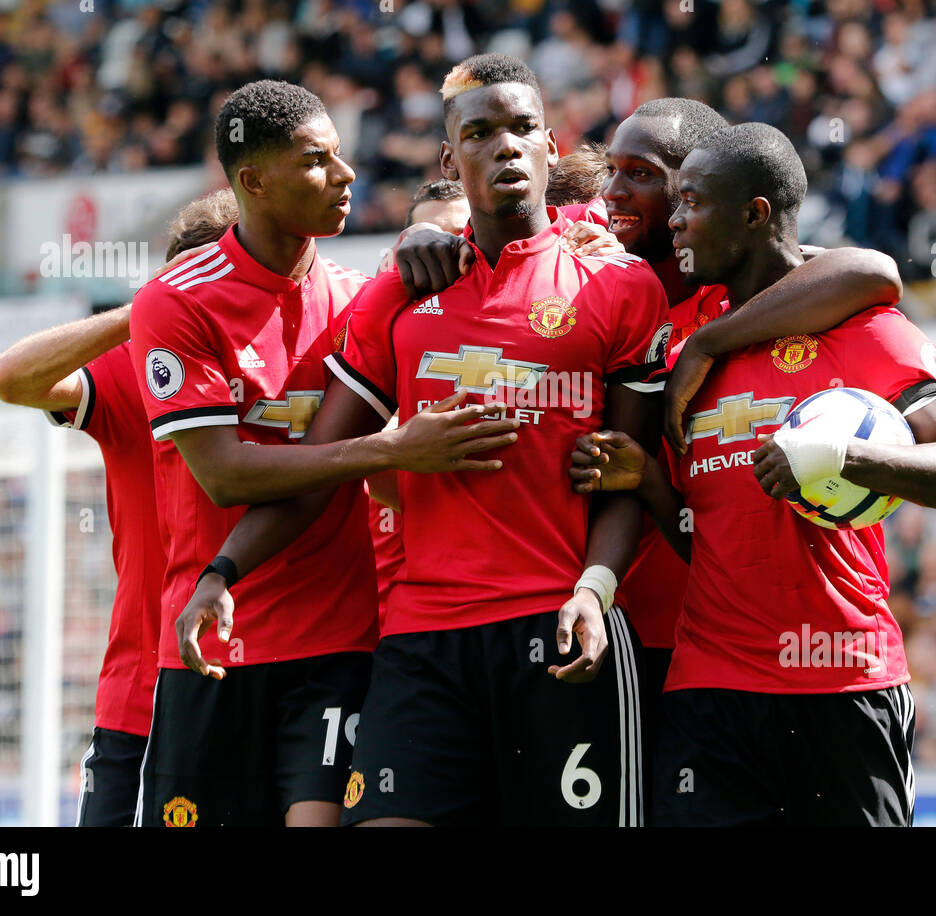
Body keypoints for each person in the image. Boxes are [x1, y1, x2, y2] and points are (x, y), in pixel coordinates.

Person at [183, 54, 672, 826]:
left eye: (521, 129)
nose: (503, 147)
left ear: (550, 145)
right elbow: (317, 469)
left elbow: (622, 476)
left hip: (559, 629)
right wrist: (223, 569)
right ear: (451, 159)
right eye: (478, 133)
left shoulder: (619, 289)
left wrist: (594, 590)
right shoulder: (399, 294)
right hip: (423, 645)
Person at [569, 122, 936, 826]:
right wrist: (651, 484)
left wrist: (850, 459)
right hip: (708, 693)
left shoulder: (863, 331)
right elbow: (699, 539)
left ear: (754, 213)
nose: (676, 220)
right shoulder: (679, 340)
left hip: (843, 682)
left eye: (692, 202)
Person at [128, 79, 521, 828]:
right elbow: (225, 474)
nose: (345, 177)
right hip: (213, 639)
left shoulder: (359, 299)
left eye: (341, 156)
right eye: (317, 162)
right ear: (253, 182)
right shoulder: (177, 303)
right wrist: (387, 449)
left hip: (336, 640)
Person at [0, 188, 240, 825]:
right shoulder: (136, 369)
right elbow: (12, 377)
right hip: (145, 697)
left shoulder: (307, 355)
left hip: (291, 674)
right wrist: (150, 313)